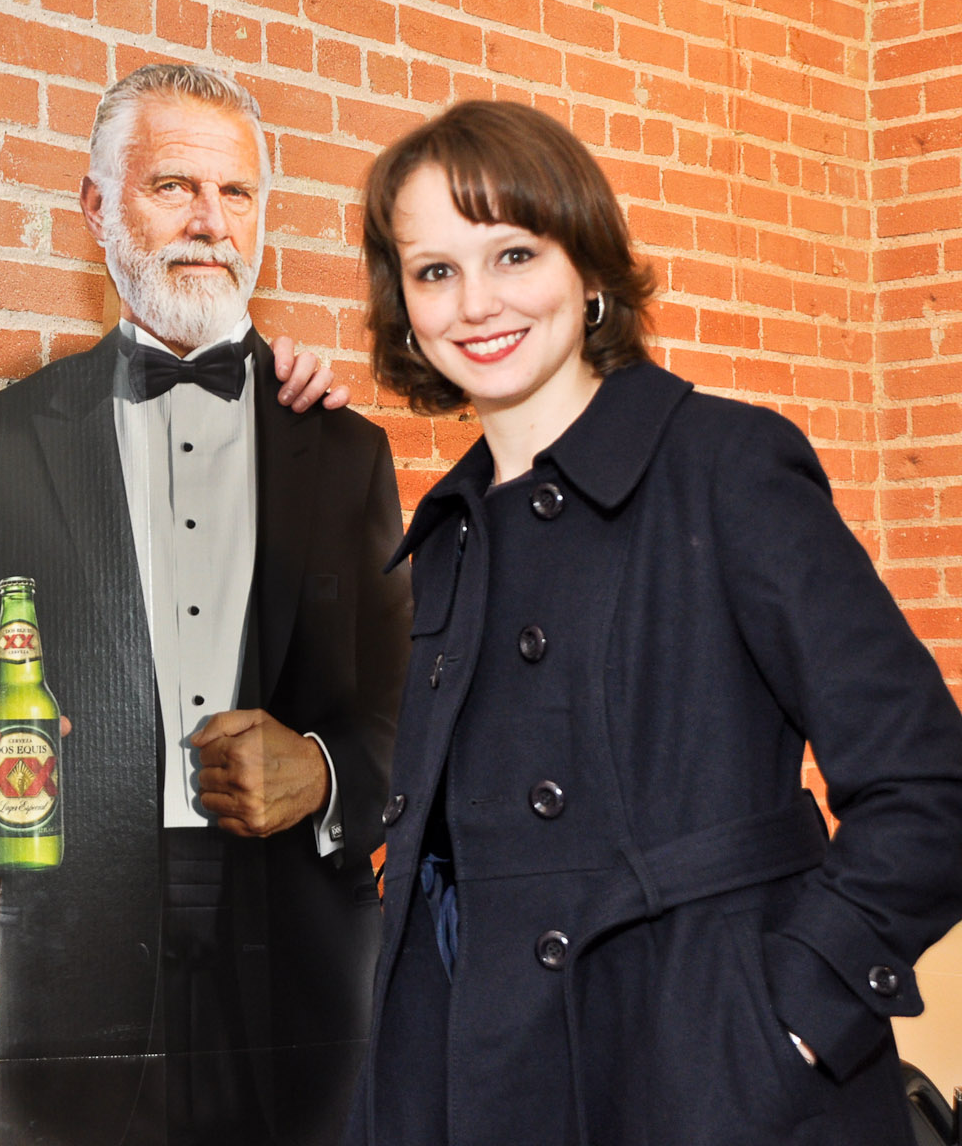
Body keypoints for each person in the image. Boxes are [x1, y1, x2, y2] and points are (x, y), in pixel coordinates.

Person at [349, 99, 962, 1145]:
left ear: (586, 266)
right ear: (403, 305)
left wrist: (784, 1028)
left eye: (513, 253)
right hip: (490, 1082)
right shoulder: (448, 530)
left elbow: (930, 787)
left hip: (701, 1086)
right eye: (435, 270)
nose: (476, 303)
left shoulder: (723, 466)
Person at [0, 63, 411, 1146]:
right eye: (173, 186)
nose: (209, 222)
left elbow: (407, 715)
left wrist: (322, 771)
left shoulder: (347, 450)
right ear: (95, 208)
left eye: (237, 194)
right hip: (80, 968)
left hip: (308, 970)